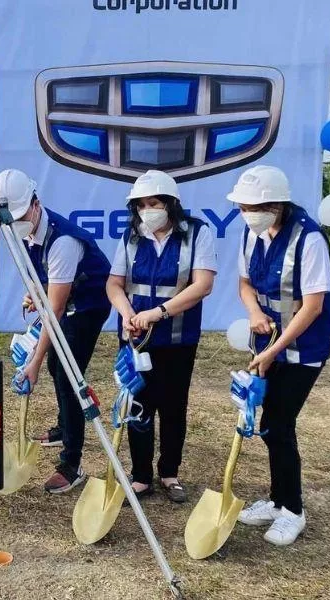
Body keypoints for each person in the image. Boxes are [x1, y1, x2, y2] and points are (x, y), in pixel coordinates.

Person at [227, 165, 330, 546]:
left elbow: (313, 306)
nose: (247, 214)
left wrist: (274, 350)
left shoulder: (309, 239)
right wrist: (254, 312)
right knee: (270, 425)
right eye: (242, 207)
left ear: (276, 205)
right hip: (268, 341)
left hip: (303, 349)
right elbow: (244, 284)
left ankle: (293, 510)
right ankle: (276, 500)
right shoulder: (252, 234)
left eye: (253, 207)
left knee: (279, 423)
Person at [0, 169, 112, 494]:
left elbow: (55, 311)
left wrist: (33, 361)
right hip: (64, 301)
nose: (15, 225)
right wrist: (36, 292)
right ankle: (63, 427)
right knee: (57, 367)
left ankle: (71, 464)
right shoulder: (24, 231)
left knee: (69, 375)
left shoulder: (63, 242)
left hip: (88, 306)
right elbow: (41, 279)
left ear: (36, 204)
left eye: (20, 216)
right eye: (10, 220)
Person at [106, 169, 217, 504]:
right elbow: (114, 283)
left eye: (153, 203)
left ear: (170, 204)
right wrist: (127, 313)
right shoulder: (131, 236)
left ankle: (169, 472)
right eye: (141, 205)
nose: (146, 210)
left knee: (173, 407)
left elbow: (203, 285)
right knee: (138, 404)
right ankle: (141, 476)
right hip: (136, 339)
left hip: (177, 340)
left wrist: (158, 313)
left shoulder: (197, 233)